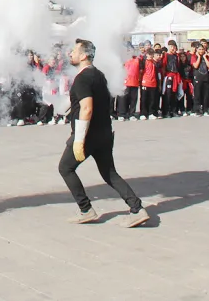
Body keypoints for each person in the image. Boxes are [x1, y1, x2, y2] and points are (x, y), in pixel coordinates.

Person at [57, 38, 150, 227]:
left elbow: (87, 108)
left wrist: (79, 140)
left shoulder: (82, 78)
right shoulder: (98, 75)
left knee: (65, 168)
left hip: (88, 134)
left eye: (74, 51)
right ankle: (137, 208)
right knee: (109, 173)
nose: (70, 53)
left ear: (84, 55)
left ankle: (85, 209)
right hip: (104, 132)